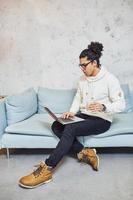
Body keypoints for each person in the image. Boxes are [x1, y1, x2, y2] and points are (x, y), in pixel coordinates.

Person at [19, 41, 125, 189]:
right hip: (85, 115)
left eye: (84, 65)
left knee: (70, 129)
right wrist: (71, 112)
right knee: (57, 125)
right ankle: (85, 153)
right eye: (80, 65)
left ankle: (47, 169)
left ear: (94, 63)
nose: (82, 69)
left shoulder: (110, 79)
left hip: (102, 119)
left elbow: (121, 104)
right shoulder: (82, 80)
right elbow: (78, 98)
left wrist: (104, 106)